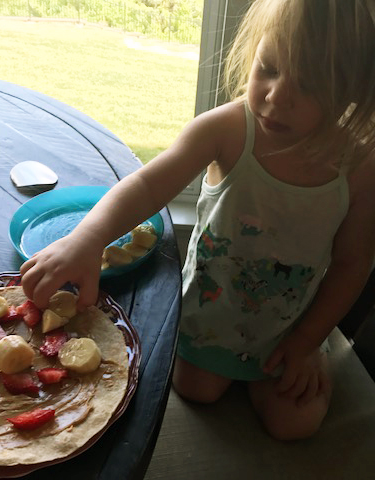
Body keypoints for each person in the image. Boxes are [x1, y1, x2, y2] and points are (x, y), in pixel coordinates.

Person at [21, 0, 375, 441]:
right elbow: (148, 185)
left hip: (292, 323)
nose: (276, 95)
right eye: (267, 68)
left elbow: (352, 264)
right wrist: (86, 240)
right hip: (211, 315)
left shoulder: (359, 165)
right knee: (197, 391)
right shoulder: (226, 129)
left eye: (308, 85)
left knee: (295, 424)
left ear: (351, 90)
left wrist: (306, 343)